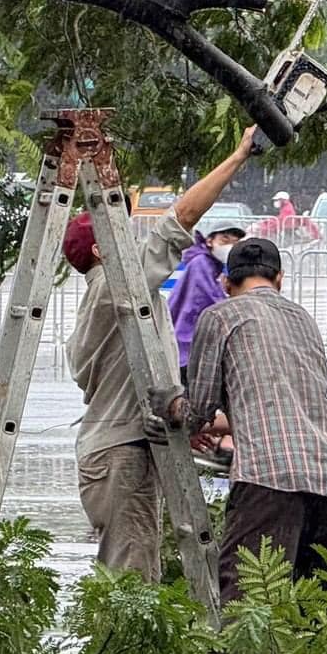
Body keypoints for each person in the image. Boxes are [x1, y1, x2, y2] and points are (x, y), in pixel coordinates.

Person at [174, 236, 327, 654]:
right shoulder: (303, 319)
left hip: (270, 476)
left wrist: (172, 411)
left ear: (226, 284)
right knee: (313, 602)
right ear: (279, 279)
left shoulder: (220, 317)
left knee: (248, 596)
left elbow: (199, 406)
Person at [66, 128, 257, 579]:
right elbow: (181, 219)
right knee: (131, 585)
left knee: (133, 576)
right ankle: (117, 652)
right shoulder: (116, 290)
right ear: (101, 250)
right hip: (119, 458)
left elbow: (137, 383)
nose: (133, 238)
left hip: (119, 452)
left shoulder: (123, 301)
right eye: (120, 232)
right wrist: (238, 155)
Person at [169, 213, 249, 377]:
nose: (229, 246)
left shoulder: (213, 266)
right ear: (210, 241)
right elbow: (212, 299)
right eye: (224, 240)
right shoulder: (201, 263)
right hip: (187, 344)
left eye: (235, 243)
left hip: (190, 342)